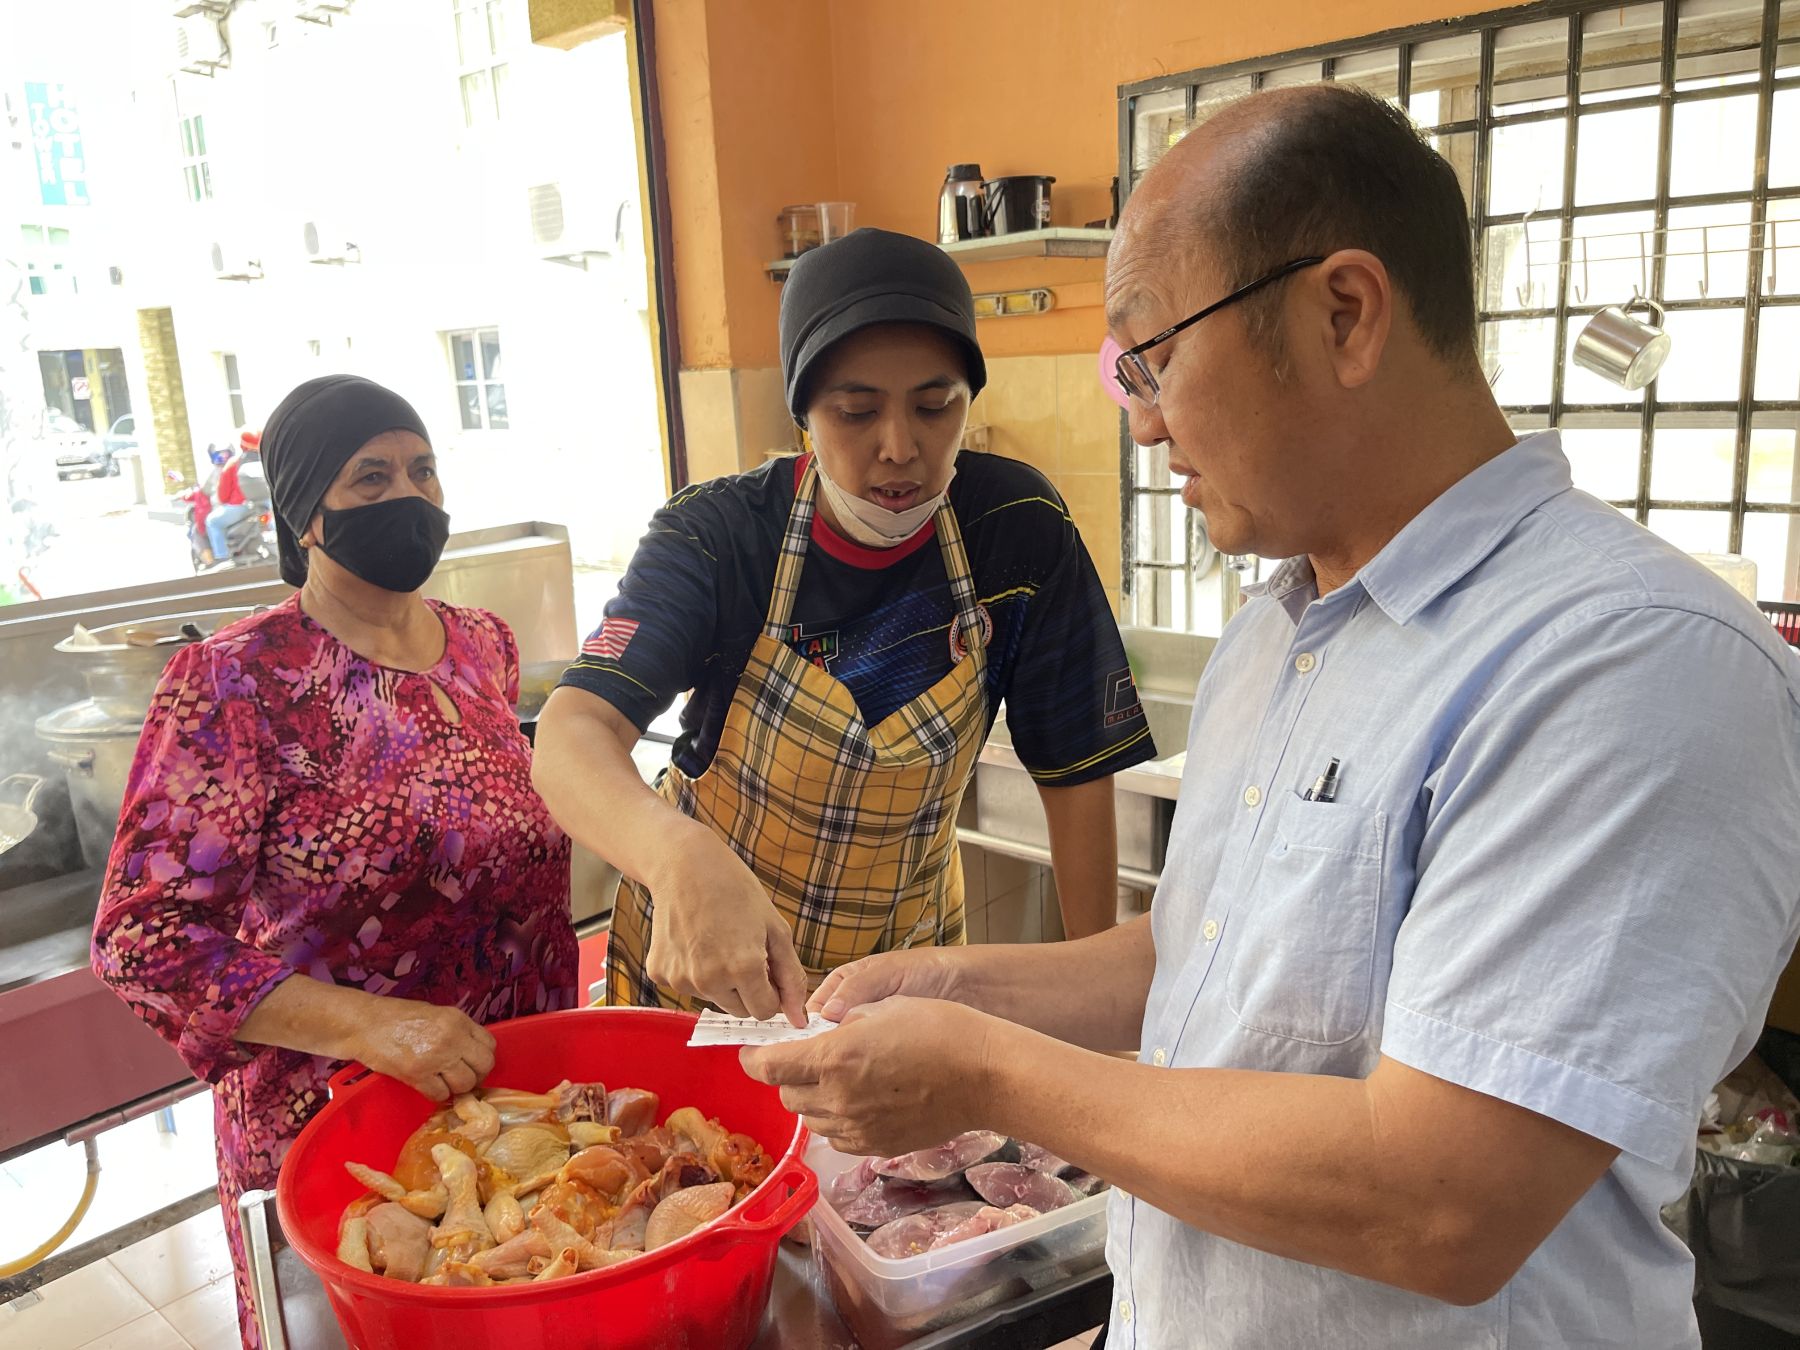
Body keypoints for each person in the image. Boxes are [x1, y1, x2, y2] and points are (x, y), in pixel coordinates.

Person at [739, 87, 1800, 1350]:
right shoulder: (1278, 628)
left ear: (1343, 313)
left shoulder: (1628, 661)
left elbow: (1446, 1198)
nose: (1137, 416)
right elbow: (1204, 961)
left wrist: (982, 1068)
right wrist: (959, 983)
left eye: (1155, 353)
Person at [533, 227, 1154, 1024]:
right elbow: (571, 731)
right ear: (802, 414)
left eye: (936, 407)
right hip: (711, 980)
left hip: (903, 978)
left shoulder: (1014, 530)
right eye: (855, 411)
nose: (901, 449)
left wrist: (1090, 1003)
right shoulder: (721, 538)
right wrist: (675, 856)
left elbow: (1075, 774)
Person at [92, 375, 577, 1349]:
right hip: (342, 1133)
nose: (409, 495)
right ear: (306, 511)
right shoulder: (238, 683)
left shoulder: (480, 646)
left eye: (422, 469)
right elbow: (144, 940)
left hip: (512, 1116)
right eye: (371, 477)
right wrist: (374, 1027)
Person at [204, 428, 263, 564]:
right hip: (266, 504)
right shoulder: (265, 459)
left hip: (241, 507)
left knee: (212, 522)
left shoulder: (232, 464)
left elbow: (222, 496)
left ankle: (222, 558)